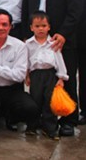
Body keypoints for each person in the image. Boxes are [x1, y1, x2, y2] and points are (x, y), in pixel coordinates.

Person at [21, 0, 83, 136]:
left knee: (66, 79)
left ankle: (68, 119)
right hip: (37, 39)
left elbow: (76, 10)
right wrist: (26, 35)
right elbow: (26, 9)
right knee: (39, 84)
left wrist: (64, 33)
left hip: (61, 39)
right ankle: (40, 119)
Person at [0, 9, 38, 132]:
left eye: (4, 24)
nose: (0, 28)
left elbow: (19, 76)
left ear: (10, 26)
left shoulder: (20, 46)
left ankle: (11, 117)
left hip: (13, 88)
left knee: (31, 108)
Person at [25, 11, 69, 140]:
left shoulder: (53, 43)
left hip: (50, 75)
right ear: (31, 27)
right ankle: (32, 126)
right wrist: (26, 75)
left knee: (49, 102)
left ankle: (50, 128)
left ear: (49, 27)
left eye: (44, 26)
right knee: (35, 100)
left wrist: (61, 77)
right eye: (37, 26)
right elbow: (26, 60)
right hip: (35, 75)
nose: (41, 29)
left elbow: (59, 60)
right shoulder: (28, 44)